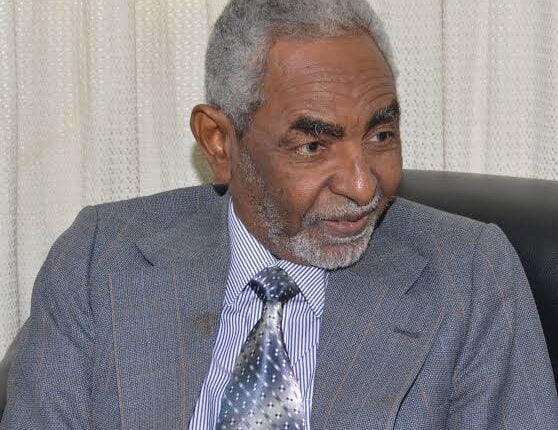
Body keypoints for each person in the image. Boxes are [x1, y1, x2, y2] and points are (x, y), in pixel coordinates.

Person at [1, 0, 557, 428]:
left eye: (381, 135)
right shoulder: (102, 257)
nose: (362, 184)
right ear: (219, 142)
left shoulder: (467, 274)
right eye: (313, 146)